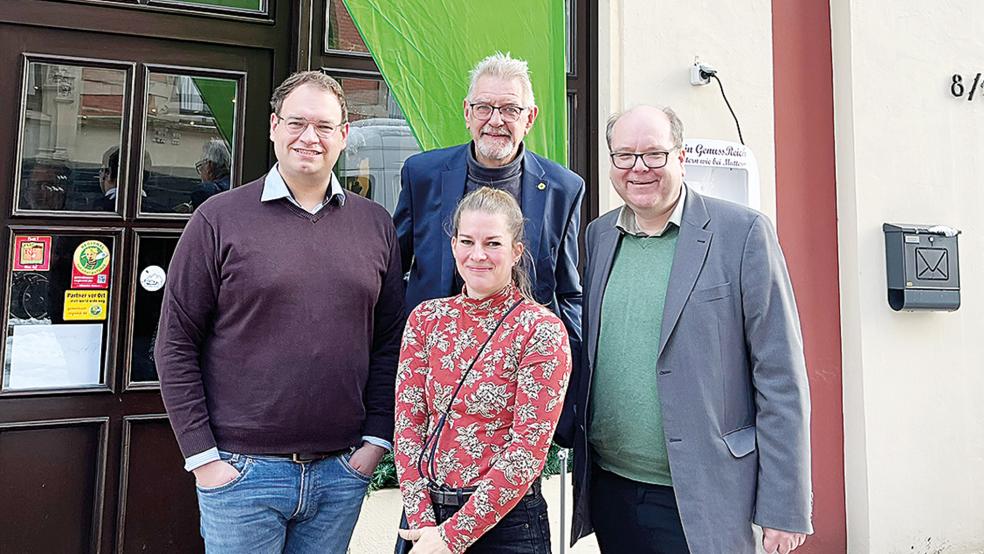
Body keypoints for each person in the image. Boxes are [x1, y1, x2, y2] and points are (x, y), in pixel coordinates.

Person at [155, 70, 405, 553]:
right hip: (241, 473)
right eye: (296, 122)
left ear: (343, 136)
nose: (309, 137)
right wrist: (204, 459)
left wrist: (375, 443)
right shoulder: (219, 219)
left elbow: (389, 343)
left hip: (340, 472)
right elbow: (175, 342)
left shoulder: (374, 225)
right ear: (273, 126)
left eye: (324, 126)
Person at [563, 105, 812, 554]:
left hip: (703, 494)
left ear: (680, 157)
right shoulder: (600, 236)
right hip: (612, 488)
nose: (639, 168)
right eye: (625, 155)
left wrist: (784, 506)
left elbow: (781, 378)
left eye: (654, 154)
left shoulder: (743, 234)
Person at [394, 187, 572, 554]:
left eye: (493, 243)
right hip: (425, 520)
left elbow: (527, 450)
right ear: (453, 244)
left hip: (507, 525)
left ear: (516, 251)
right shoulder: (426, 320)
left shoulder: (540, 330)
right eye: (467, 241)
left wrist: (449, 538)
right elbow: (408, 427)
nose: (478, 255)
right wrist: (424, 523)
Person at [393, 53, 583, 379]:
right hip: (432, 369)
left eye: (510, 109)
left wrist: (567, 379)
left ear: (530, 117)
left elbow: (568, 293)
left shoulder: (562, 188)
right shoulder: (422, 175)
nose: (495, 120)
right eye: (484, 108)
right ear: (467, 113)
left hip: (521, 378)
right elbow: (393, 273)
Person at [190, 139, 232, 208]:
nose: (200, 174)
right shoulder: (238, 185)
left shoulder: (203, 193)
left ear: (210, 165)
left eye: (201, 166)